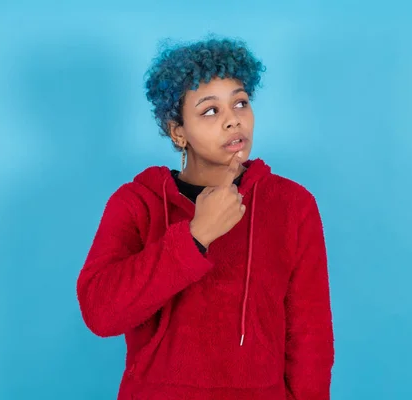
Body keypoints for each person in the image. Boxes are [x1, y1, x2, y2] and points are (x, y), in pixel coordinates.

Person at [76, 36, 335, 400]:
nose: (233, 121)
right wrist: (195, 236)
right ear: (177, 131)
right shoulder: (136, 203)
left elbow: (311, 339)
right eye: (210, 111)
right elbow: (100, 314)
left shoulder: (292, 204)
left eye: (241, 103)